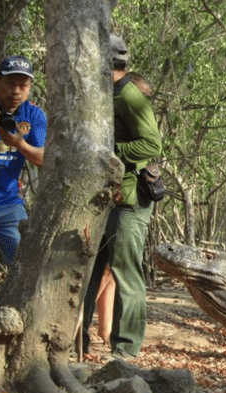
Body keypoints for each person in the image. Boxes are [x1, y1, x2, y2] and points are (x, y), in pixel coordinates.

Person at [82, 35, 162, 358]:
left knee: (126, 272)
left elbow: (151, 145)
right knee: (89, 271)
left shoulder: (131, 97)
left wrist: (112, 152)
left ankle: (126, 349)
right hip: (106, 199)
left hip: (131, 201)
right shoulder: (107, 95)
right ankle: (77, 341)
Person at [0, 55, 46, 263]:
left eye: (22, 86)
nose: (15, 91)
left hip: (8, 202)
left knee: (26, 264)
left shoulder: (34, 115)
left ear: (30, 87)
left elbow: (44, 160)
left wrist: (19, 144)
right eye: (10, 84)